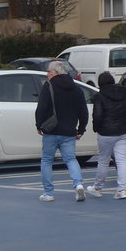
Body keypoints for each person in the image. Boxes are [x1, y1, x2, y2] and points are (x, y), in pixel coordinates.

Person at [35, 59, 88, 202]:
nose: (47, 74)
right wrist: (81, 129)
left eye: (49, 71)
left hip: (51, 131)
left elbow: (42, 107)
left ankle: (48, 193)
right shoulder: (76, 88)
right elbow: (83, 111)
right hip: (69, 131)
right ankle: (78, 185)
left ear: (56, 72)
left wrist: (39, 125)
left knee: (47, 160)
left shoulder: (49, 86)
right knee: (71, 159)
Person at [85, 71, 126, 200]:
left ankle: (98, 188)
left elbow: (98, 115)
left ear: (100, 83)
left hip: (106, 132)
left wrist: (96, 128)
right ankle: (122, 190)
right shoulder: (123, 93)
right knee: (121, 160)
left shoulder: (99, 96)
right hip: (125, 131)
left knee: (103, 160)